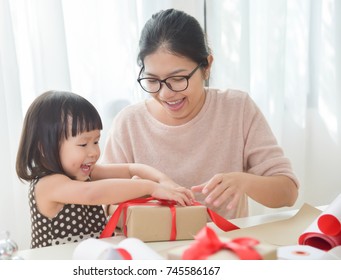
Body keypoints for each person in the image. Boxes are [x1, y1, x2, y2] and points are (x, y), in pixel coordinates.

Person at [102, 8, 299, 219]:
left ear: (207, 67)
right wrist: (140, 201)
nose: (165, 93)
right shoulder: (129, 122)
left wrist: (244, 182)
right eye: (152, 80)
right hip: (149, 248)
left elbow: (288, 192)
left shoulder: (237, 108)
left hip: (223, 246)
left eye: (178, 79)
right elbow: (102, 202)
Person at [16, 90, 194, 248]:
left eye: (96, 141)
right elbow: (92, 194)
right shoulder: (49, 184)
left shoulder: (86, 174)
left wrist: (164, 181)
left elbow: (132, 169)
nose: (93, 152)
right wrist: (151, 187)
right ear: (45, 147)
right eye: (83, 144)